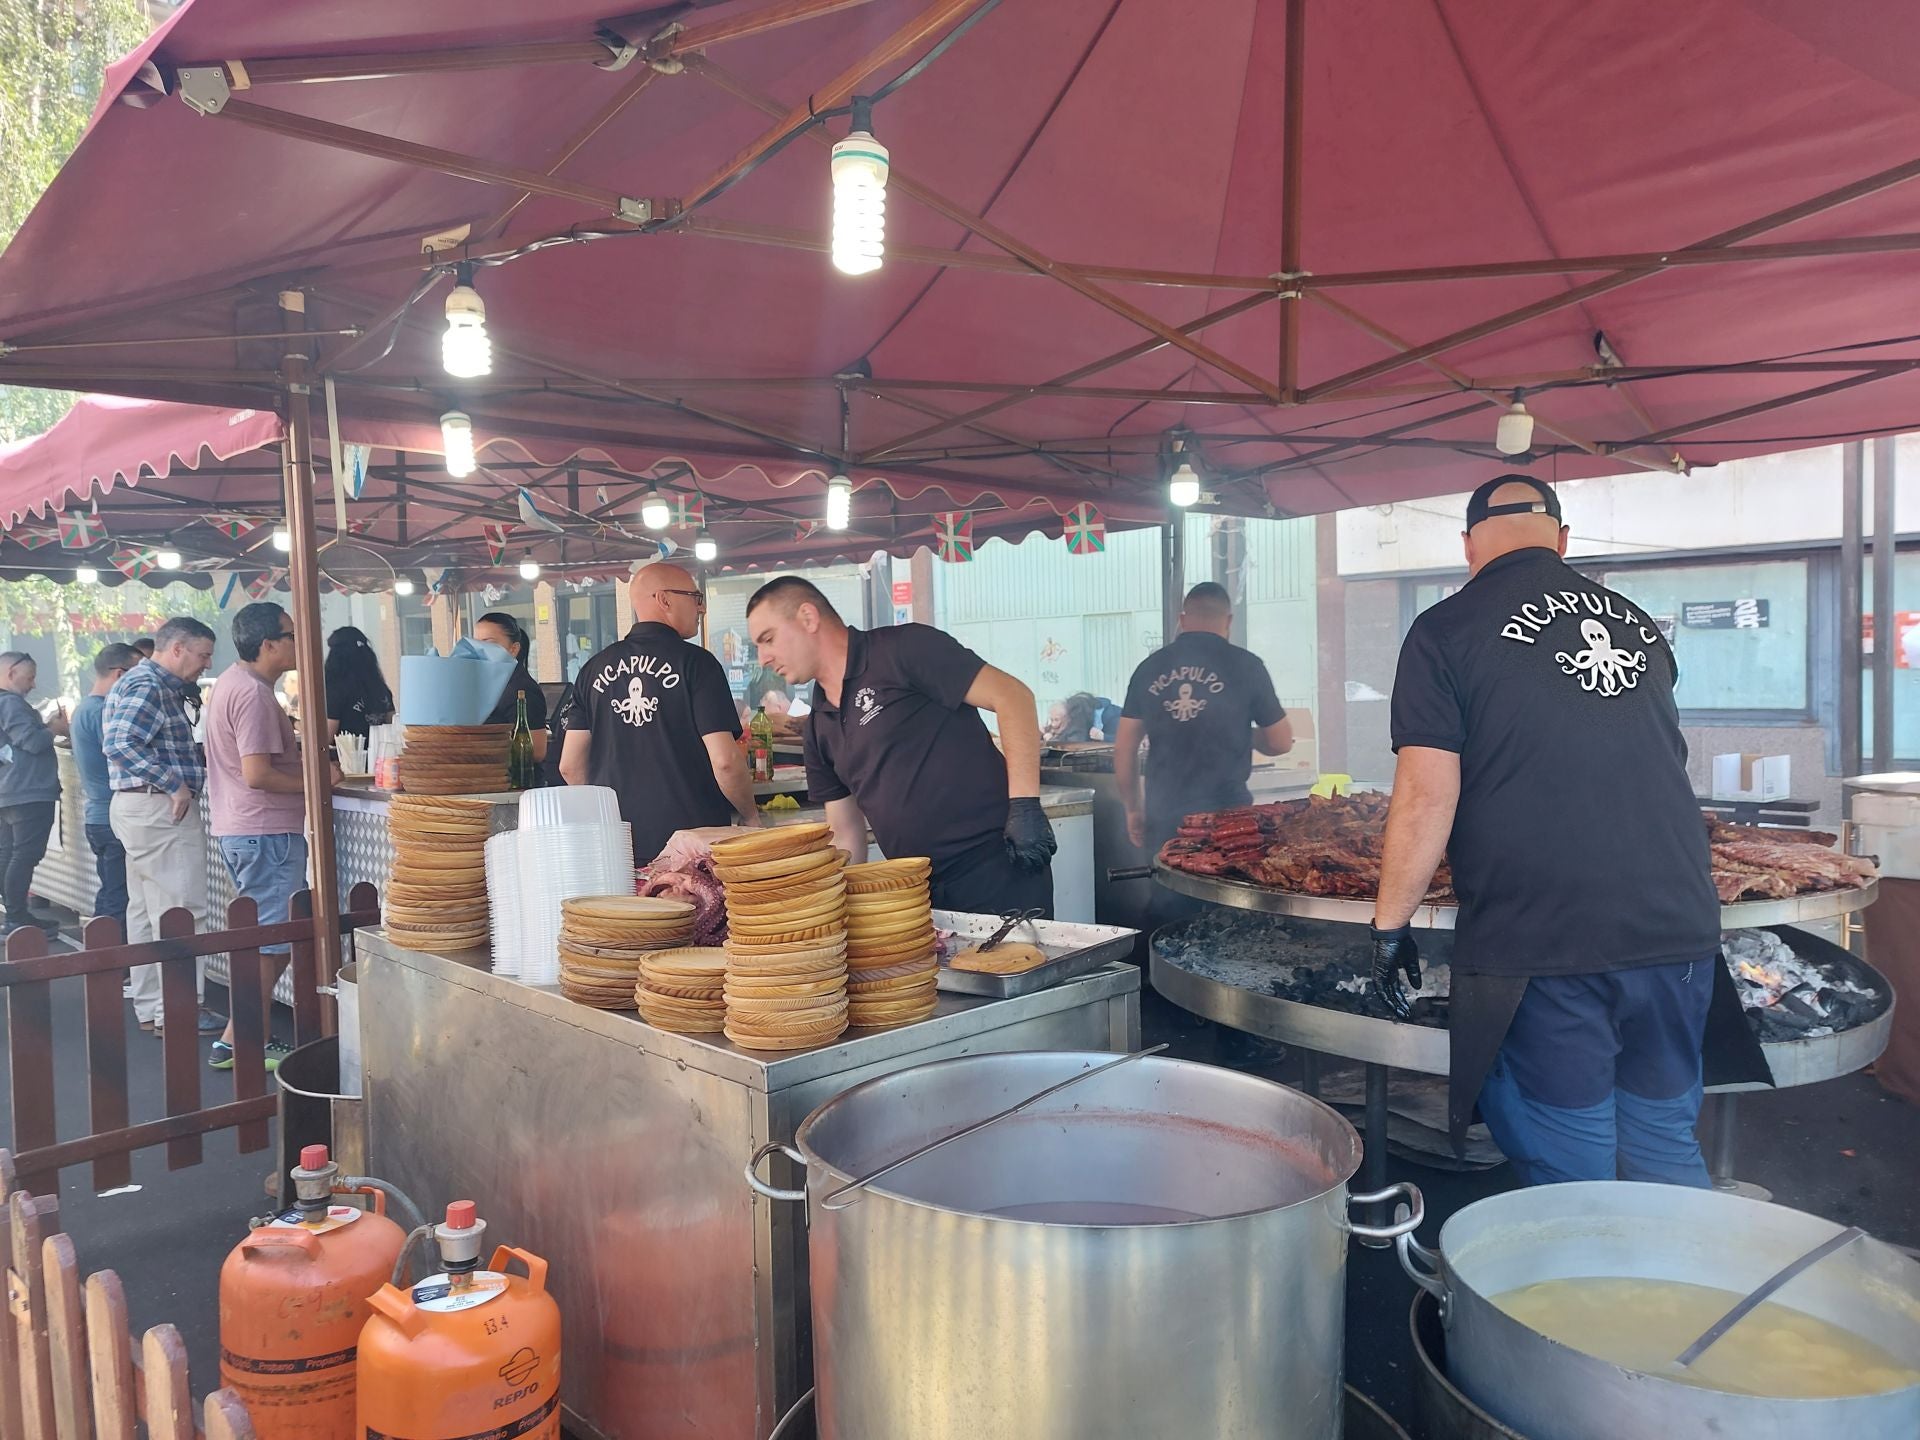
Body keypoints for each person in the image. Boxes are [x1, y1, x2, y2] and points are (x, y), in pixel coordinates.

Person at [1369, 475, 1767, 1188]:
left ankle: (1583, 1285)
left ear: (1468, 546)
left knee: (1572, 1167)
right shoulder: (1638, 621)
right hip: (1678, 930)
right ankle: (1689, 1292)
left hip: (1551, 940)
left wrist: (1390, 928)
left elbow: (1428, 792)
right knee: (1662, 1146)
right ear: (1561, 539)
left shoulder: (1446, 630)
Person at [746, 576, 1058, 914]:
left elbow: (1013, 696)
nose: (763, 657)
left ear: (808, 618)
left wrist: (1026, 806)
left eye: (768, 639)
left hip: (996, 868)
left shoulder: (904, 650)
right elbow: (846, 832)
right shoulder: (819, 724)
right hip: (916, 892)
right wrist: (833, 905)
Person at [562, 563, 758, 863]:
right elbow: (726, 762)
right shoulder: (697, 664)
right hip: (692, 849)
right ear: (664, 600)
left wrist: (608, 819)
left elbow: (570, 766)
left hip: (620, 848)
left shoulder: (592, 669)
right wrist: (750, 816)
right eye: (695, 596)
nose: (701, 608)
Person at [205, 602, 317, 1073]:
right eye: (291, 636)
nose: (298, 643)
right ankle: (241, 1040)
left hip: (246, 829)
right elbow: (257, 774)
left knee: (265, 937)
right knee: (271, 941)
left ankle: (244, 1036)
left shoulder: (233, 684)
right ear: (269, 644)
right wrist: (316, 783)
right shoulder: (252, 694)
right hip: (266, 830)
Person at [103, 617, 224, 1036]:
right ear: (177, 649)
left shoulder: (141, 682)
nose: (207, 664)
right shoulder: (151, 685)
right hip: (158, 809)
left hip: (139, 808)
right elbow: (119, 743)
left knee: (145, 911)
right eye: (203, 654)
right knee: (181, 910)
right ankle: (180, 1010)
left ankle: (155, 1008)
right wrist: (176, 785)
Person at [1114, 583, 1293, 859]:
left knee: (1169, 896)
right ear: (1228, 621)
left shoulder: (1149, 668)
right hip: (1230, 823)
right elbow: (1280, 742)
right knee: (1224, 895)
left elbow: (1124, 747)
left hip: (1164, 817)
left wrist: (1133, 808)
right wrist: (1241, 731)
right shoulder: (1247, 666)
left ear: (1182, 619)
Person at [69, 642, 140, 938]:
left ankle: (104, 959)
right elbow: (123, 756)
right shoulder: (101, 712)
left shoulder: (85, 708)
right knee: (118, 897)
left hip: (98, 816)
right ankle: (112, 966)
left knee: (112, 892)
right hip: (111, 817)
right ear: (120, 674)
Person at [0, 652, 66, 936]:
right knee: (24, 855)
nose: (34, 684)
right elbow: (32, 741)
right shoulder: (11, 704)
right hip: (28, 791)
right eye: (30, 677)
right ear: (12, 672)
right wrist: (54, 728)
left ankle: (13, 915)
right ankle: (16, 916)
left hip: (10, 789)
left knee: (9, 854)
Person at [473, 612, 548, 761]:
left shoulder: (522, 689)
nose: (481, 649)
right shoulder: (487, 685)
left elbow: (537, 750)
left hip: (514, 780)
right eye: (476, 643)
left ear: (513, 649)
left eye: (489, 642)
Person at [323, 626, 394, 740]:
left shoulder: (335, 691)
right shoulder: (381, 690)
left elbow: (326, 737)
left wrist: (296, 723)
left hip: (349, 756)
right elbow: (392, 727)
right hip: (381, 755)